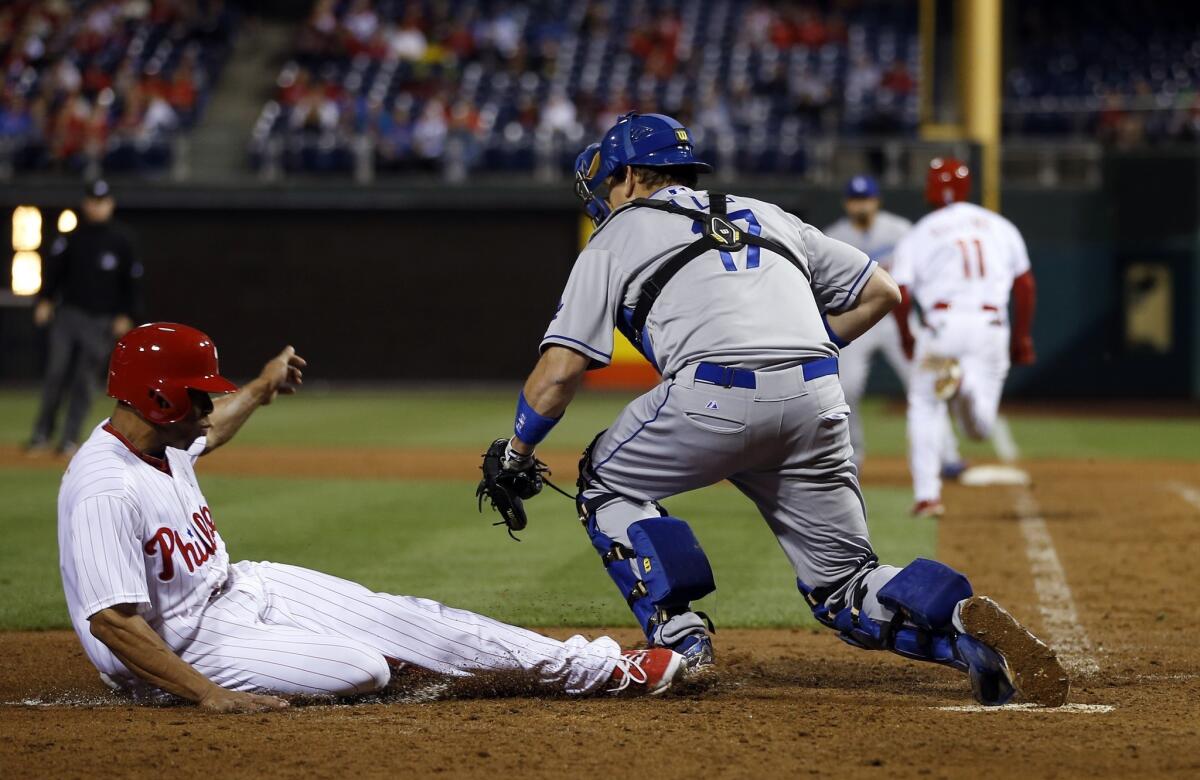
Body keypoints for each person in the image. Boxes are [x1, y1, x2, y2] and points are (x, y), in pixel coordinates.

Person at [483, 113, 1067, 707]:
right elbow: (883, 292)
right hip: (818, 398)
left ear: (630, 176)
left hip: (711, 397)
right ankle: (962, 627)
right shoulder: (766, 212)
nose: (605, 199)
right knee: (844, 587)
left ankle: (680, 639)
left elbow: (558, 374)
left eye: (607, 185)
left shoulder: (613, 237)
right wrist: (807, 352)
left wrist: (516, 453)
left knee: (604, 482)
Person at [58, 323, 682, 713]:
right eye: (199, 393)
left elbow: (209, 434)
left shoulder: (159, 441)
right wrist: (206, 694)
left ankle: (599, 666)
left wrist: (259, 387)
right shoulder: (104, 486)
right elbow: (112, 622)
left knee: (411, 616)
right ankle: (390, 658)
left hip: (242, 588)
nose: (209, 403)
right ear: (160, 398)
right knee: (364, 667)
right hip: (187, 645)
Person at [891, 158, 1038, 517]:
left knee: (926, 407)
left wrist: (908, 340)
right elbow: (1025, 286)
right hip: (990, 328)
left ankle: (928, 496)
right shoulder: (1000, 226)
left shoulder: (921, 231)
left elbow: (901, 292)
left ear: (931, 187)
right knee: (980, 429)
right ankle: (968, 389)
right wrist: (1022, 338)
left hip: (942, 329)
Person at [824, 174, 963, 474]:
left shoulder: (900, 230)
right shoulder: (832, 235)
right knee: (844, 388)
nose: (861, 205)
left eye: (866, 199)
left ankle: (947, 455)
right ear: (846, 203)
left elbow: (924, 271)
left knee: (927, 381)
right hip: (857, 319)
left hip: (897, 317)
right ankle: (851, 457)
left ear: (877, 200)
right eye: (855, 199)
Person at [29, 179, 142, 457]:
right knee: (55, 373)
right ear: (85, 204)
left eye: (102, 202)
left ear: (110, 204)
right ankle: (41, 434)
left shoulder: (122, 240)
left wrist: (127, 315)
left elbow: (133, 283)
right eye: (93, 201)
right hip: (69, 315)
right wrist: (44, 300)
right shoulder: (71, 238)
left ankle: (69, 438)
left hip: (101, 320)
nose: (97, 207)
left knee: (84, 380)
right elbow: (53, 272)